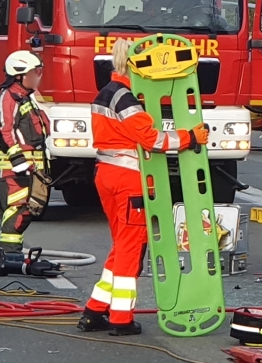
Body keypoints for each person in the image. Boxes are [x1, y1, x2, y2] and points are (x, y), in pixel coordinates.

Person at [78, 37, 207, 336]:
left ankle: (95, 310)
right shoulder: (126, 98)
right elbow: (153, 140)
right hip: (128, 178)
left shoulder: (106, 93)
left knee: (121, 244)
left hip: (106, 173)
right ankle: (121, 319)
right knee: (131, 248)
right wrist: (190, 137)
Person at [0, 50, 49, 261]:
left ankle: (12, 251)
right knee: (17, 209)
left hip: (31, 167)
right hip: (16, 169)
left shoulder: (25, 98)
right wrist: (18, 161)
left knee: (28, 210)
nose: (38, 77)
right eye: (34, 72)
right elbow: (3, 130)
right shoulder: (9, 97)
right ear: (19, 75)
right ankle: (9, 252)